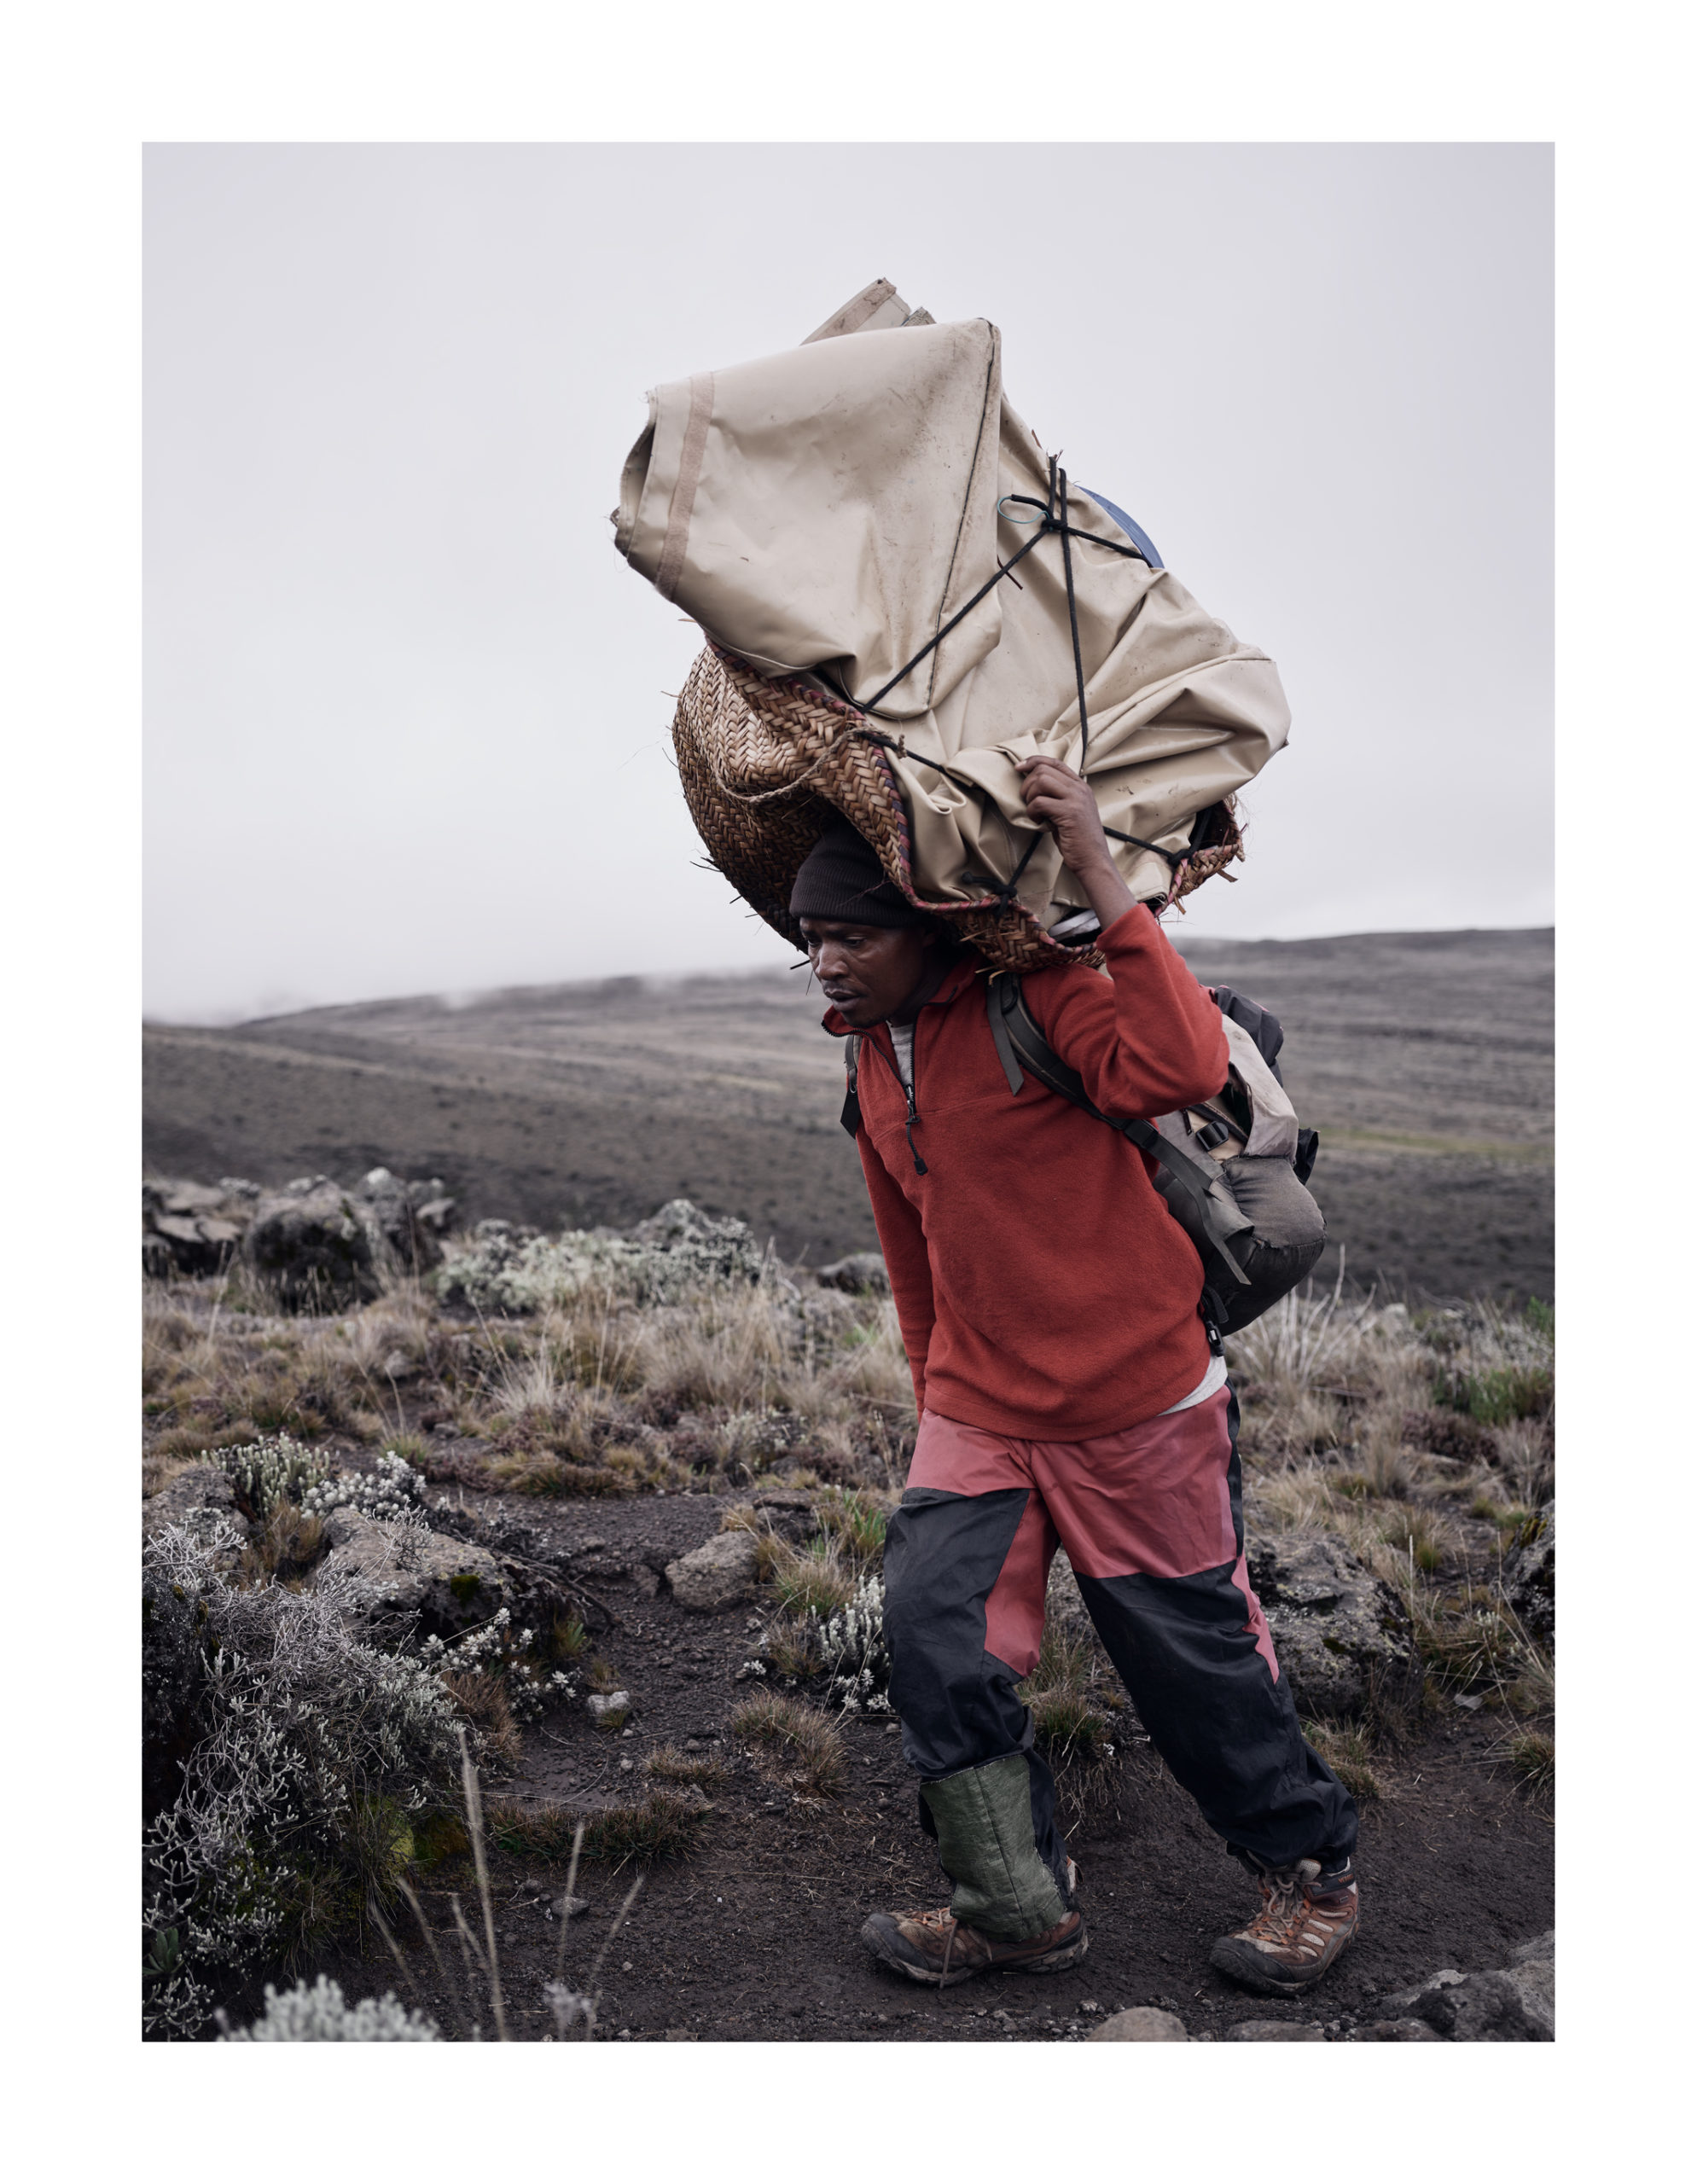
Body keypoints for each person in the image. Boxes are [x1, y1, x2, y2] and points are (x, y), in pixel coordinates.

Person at [790, 756, 1360, 1995]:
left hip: (1137, 1398)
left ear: (923, 930)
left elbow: (1174, 1068)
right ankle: (1014, 1909)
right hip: (979, 1408)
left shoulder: (1036, 992)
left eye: (850, 937)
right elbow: (912, 1244)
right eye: (810, 942)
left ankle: (1310, 1875)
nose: (826, 963)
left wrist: (1096, 865)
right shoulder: (869, 1056)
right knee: (932, 1637)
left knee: (1190, 1660)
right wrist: (935, 1389)